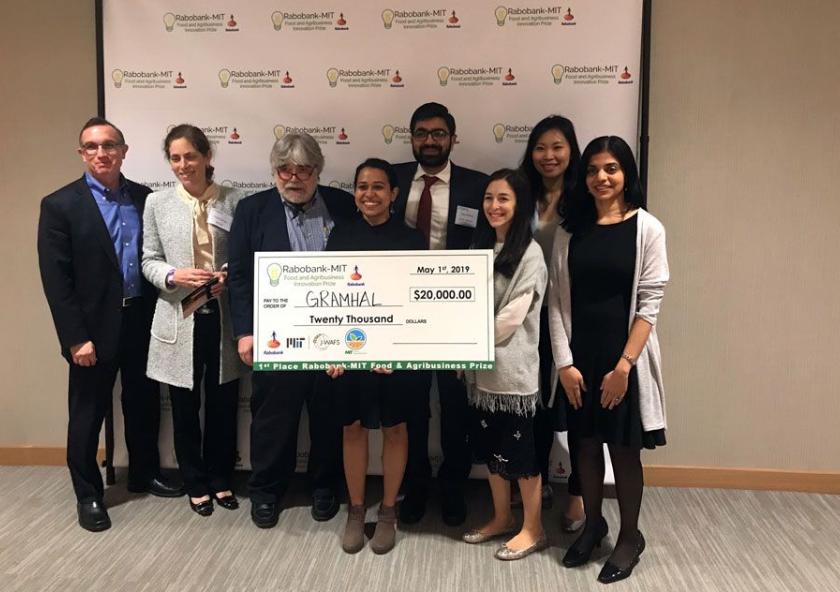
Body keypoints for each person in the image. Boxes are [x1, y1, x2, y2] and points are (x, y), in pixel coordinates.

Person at [37, 117, 183, 532]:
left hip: (141, 317)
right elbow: (56, 281)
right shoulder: (60, 205)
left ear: (123, 150)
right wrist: (75, 338)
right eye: (91, 147)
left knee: (143, 402)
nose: (101, 153)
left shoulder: (144, 198)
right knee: (87, 413)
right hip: (91, 330)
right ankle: (88, 494)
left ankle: (144, 473)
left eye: (109, 145)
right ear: (82, 154)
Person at [548, 136, 668, 584]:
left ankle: (629, 537)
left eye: (612, 168)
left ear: (626, 174)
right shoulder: (569, 231)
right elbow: (557, 303)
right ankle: (594, 524)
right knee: (584, 444)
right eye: (594, 169)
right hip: (580, 359)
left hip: (623, 362)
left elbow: (649, 306)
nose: (602, 177)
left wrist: (624, 368)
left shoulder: (648, 229)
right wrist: (564, 363)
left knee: (623, 450)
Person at [227, 133, 356, 528]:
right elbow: (240, 279)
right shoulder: (251, 210)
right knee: (272, 420)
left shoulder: (343, 205)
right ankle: (265, 490)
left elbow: (361, 269)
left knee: (328, 416)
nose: (294, 177)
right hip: (274, 338)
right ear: (274, 171)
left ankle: (324, 487)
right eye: (286, 169)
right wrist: (244, 332)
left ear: (318, 171)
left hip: (331, 338)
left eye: (304, 169)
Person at [325, 158, 431, 554]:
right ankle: (356, 509)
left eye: (378, 187)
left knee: (395, 429)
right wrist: (332, 349)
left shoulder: (412, 239)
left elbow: (414, 302)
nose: (369, 194)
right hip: (349, 353)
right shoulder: (339, 236)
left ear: (394, 194)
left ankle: (388, 510)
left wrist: (398, 349)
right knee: (352, 428)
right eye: (362, 186)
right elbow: (331, 300)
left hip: (394, 357)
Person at [141, 124, 245, 516]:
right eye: (176, 158)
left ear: (207, 157)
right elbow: (148, 259)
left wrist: (227, 275)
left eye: (191, 156)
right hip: (177, 319)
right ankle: (195, 482)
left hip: (224, 318)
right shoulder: (156, 203)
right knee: (184, 409)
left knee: (223, 405)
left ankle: (220, 480)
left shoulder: (236, 200)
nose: (184, 165)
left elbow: (246, 254)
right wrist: (173, 276)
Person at [393, 102, 489, 526]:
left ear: (453, 138)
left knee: (456, 408)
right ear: (410, 138)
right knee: (412, 406)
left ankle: (453, 486)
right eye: (421, 133)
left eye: (438, 133)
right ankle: (414, 487)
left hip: (455, 316)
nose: (429, 141)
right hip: (398, 315)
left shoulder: (477, 186)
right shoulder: (390, 180)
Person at [462, 169, 548, 560]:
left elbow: (512, 318)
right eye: (488, 199)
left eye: (504, 199)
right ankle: (501, 517)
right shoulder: (477, 248)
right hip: (481, 376)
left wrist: (466, 341)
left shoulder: (530, 253)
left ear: (520, 205)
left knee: (523, 460)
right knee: (492, 453)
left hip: (513, 378)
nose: (494, 206)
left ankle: (534, 528)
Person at [519, 115, 585, 530]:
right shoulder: (521, 194)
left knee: (576, 406)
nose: (549, 156)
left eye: (557, 146)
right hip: (526, 318)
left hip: (572, 317)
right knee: (533, 405)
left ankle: (578, 493)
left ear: (571, 150)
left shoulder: (585, 197)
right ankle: (537, 481)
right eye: (540, 147)